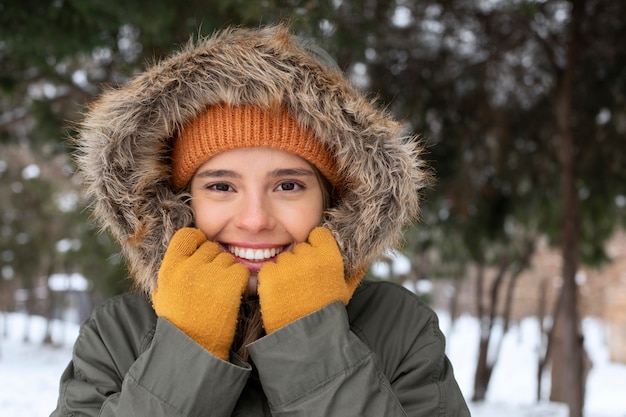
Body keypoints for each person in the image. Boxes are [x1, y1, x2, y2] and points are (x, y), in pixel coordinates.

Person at [51, 24, 471, 416]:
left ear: (333, 199)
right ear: (179, 203)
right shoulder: (118, 333)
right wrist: (186, 348)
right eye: (220, 186)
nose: (254, 220)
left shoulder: (399, 327)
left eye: (288, 186)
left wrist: (313, 345)